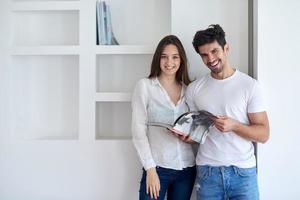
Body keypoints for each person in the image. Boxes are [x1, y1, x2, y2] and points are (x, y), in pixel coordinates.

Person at [186, 24, 270, 200]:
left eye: (215, 51)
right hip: (207, 173)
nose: (210, 58)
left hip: (243, 174)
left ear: (226, 48)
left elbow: (263, 134)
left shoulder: (250, 86)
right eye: (204, 55)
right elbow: (196, 132)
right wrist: (188, 136)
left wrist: (235, 126)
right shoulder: (194, 89)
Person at [131, 35, 196, 200]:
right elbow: (138, 130)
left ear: (181, 60)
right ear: (157, 59)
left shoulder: (189, 90)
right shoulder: (145, 86)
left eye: (175, 57)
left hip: (186, 169)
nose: (169, 62)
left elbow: (195, 132)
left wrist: (191, 137)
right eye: (164, 57)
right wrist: (150, 169)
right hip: (157, 167)